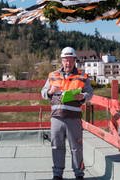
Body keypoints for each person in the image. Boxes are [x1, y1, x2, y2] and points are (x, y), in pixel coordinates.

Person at [41, 47, 93, 180]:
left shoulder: (82, 76)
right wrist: (50, 91)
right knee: (57, 146)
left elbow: (90, 93)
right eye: (65, 60)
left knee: (76, 147)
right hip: (56, 118)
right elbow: (43, 93)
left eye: (70, 60)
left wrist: (82, 96)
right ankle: (57, 175)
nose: (67, 63)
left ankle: (79, 174)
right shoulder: (53, 75)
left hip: (73, 118)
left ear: (74, 60)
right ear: (62, 61)